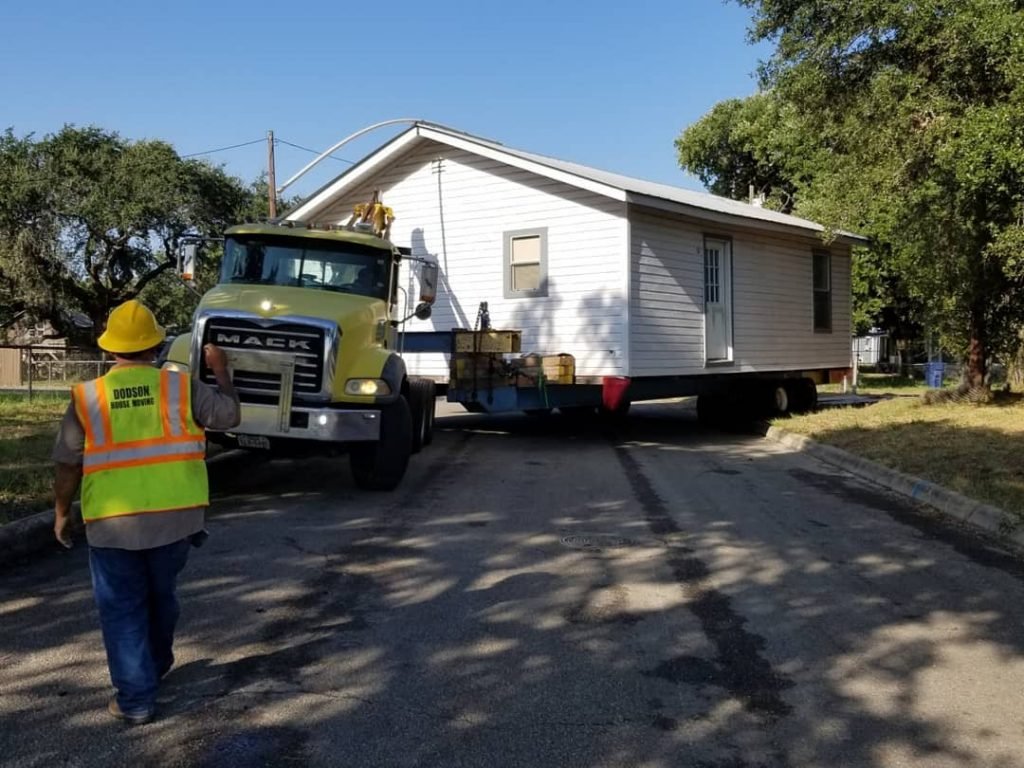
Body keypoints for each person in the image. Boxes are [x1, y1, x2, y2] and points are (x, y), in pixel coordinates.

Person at [52, 300, 240, 725]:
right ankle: (153, 666)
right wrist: (222, 371)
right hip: (175, 518)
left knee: (122, 607)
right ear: (155, 345)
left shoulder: (88, 397)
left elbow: (67, 464)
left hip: (112, 525)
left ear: (110, 347)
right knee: (160, 595)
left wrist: (62, 512)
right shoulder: (181, 386)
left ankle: (136, 698)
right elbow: (229, 414)